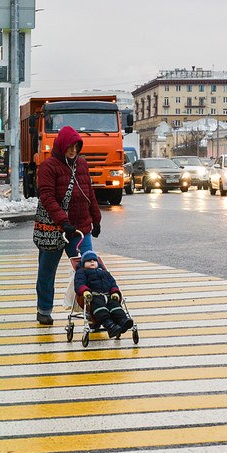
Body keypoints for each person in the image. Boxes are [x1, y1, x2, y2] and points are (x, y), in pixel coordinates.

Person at [35, 125, 102, 325]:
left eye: (76, 147)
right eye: (69, 147)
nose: (73, 151)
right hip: (55, 230)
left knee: (90, 271)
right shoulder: (48, 167)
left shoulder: (81, 164)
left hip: (80, 229)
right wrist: (63, 221)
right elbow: (47, 197)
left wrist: (96, 219)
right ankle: (44, 310)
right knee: (47, 272)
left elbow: (89, 193)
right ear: (61, 145)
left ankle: (94, 313)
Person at [74, 250, 134, 337]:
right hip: (93, 295)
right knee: (100, 308)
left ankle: (123, 321)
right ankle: (109, 324)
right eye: (88, 261)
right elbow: (79, 283)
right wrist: (85, 291)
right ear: (83, 263)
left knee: (115, 306)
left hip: (108, 295)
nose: (92, 262)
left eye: (94, 260)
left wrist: (115, 292)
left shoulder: (105, 272)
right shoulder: (82, 272)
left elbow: (112, 283)